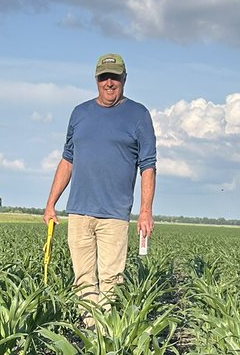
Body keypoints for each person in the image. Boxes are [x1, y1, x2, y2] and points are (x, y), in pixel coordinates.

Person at [43, 52, 156, 315]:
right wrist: (51, 204)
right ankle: (91, 334)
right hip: (79, 211)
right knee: (82, 279)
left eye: (114, 77)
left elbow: (148, 166)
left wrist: (146, 211)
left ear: (124, 79)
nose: (109, 83)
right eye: (104, 77)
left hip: (114, 215)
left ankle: (106, 339)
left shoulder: (138, 115)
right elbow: (67, 160)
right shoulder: (80, 113)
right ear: (96, 79)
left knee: (111, 282)